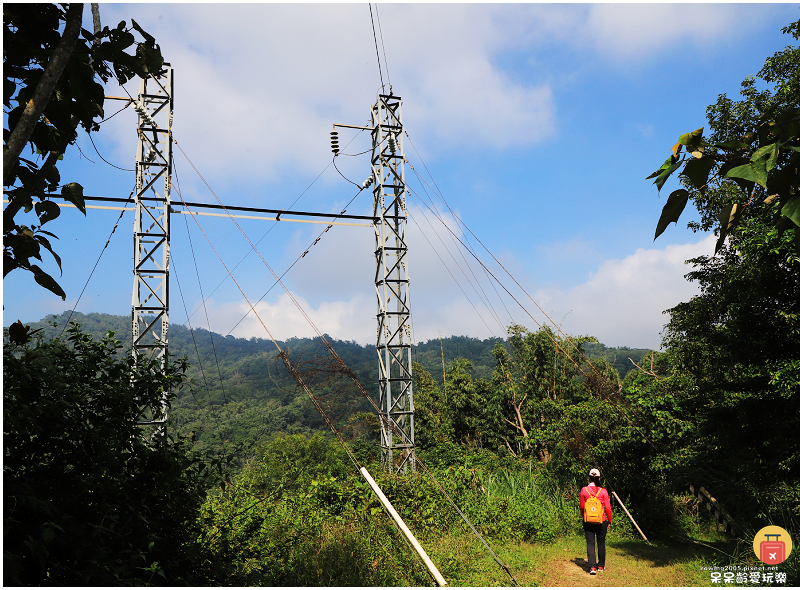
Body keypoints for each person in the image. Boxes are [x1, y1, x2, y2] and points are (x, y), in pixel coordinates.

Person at [580, 468, 612, 575]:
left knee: (590, 543)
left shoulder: (584, 490)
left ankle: (592, 567)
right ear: (599, 478)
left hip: (588, 521)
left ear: (589, 477)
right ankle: (601, 566)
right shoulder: (603, 491)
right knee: (601, 543)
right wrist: (609, 520)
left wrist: (584, 516)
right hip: (601, 521)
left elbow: (581, 506)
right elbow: (608, 508)